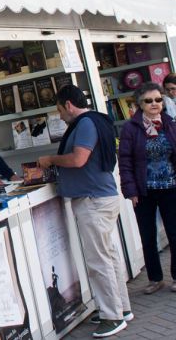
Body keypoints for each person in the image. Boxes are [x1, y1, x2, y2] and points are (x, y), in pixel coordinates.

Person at [38, 85, 132, 338]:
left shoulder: (85, 124)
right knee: (109, 256)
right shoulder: (98, 120)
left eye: (59, 110)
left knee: (99, 261)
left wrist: (51, 159)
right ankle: (121, 308)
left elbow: (79, 159)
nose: (59, 116)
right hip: (101, 197)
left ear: (69, 105)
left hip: (93, 201)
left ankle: (112, 316)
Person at [118, 82, 176, 295]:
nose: (154, 104)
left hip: (171, 187)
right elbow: (125, 161)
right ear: (139, 104)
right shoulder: (131, 129)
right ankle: (155, 278)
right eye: (148, 101)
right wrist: (130, 191)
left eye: (158, 100)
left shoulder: (170, 124)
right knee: (148, 235)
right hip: (144, 191)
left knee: (174, 232)